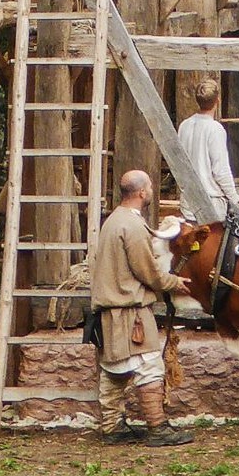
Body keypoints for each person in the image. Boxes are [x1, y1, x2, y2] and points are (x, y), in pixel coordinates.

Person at [89, 169, 193, 445]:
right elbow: (147, 270)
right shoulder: (132, 226)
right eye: (150, 187)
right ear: (141, 193)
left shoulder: (113, 220)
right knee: (149, 366)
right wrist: (173, 282)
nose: (152, 190)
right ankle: (157, 428)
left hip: (111, 311)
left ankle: (111, 428)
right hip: (129, 311)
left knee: (114, 370)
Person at [176, 76, 239, 223]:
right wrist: (234, 198)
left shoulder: (184, 126)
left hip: (188, 200)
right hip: (210, 201)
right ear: (217, 101)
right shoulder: (215, 129)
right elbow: (220, 170)